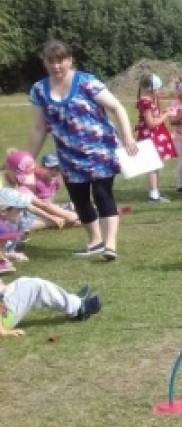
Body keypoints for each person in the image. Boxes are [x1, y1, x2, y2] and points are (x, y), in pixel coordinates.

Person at [27, 40, 138, 261]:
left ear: (69, 60)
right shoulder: (40, 89)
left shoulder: (86, 82)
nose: (57, 66)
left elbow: (116, 107)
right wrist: (29, 159)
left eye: (61, 61)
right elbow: (40, 127)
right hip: (68, 156)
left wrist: (127, 136)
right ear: (45, 62)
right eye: (51, 61)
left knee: (102, 193)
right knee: (79, 199)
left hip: (100, 149)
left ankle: (110, 244)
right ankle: (95, 240)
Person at [134, 74, 175, 203]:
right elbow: (151, 123)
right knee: (152, 166)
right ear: (153, 89)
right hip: (151, 137)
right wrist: (166, 115)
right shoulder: (146, 102)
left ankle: (156, 192)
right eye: (158, 89)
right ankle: (153, 194)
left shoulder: (148, 101)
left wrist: (163, 113)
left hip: (154, 136)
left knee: (156, 165)